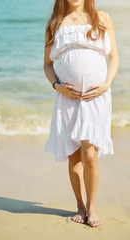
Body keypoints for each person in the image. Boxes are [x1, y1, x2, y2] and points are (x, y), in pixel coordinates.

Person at [44, 0, 119, 227]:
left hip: (96, 97)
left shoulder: (102, 17)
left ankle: (92, 206)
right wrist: (57, 86)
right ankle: (80, 205)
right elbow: (47, 64)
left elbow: (114, 57)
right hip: (67, 97)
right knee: (74, 154)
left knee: (90, 153)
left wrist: (107, 84)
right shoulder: (54, 24)